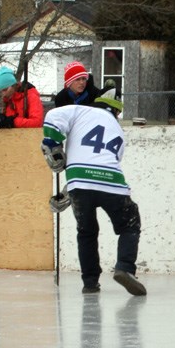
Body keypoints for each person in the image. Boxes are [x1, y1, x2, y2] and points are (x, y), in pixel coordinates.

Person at [42, 92, 146, 296]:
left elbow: (53, 118)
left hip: (79, 182)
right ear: (115, 110)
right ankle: (125, 267)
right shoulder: (117, 129)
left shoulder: (79, 110)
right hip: (112, 182)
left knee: (86, 232)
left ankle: (90, 283)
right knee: (129, 224)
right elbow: (104, 161)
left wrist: (53, 145)